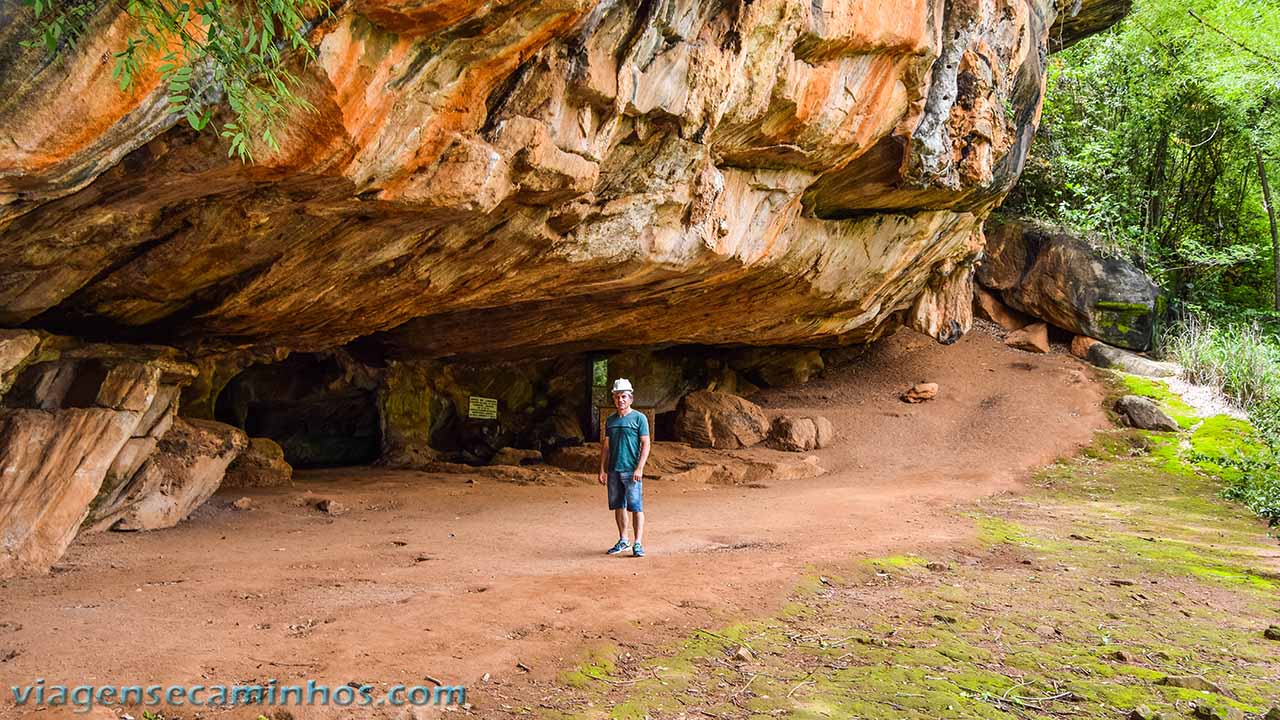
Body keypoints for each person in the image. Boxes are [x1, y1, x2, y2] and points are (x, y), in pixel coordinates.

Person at [598, 378, 651, 558]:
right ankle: (623, 540)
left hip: (631, 470)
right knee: (618, 505)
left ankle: (638, 543)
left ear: (631, 398)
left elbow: (646, 444)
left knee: (636, 506)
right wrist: (602, 469)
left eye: (624, 396)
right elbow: (606, 446)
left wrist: (640, 468)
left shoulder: (639, 418)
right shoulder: (610, 420)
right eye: (617, 397)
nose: (620, 400)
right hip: (614, 469)